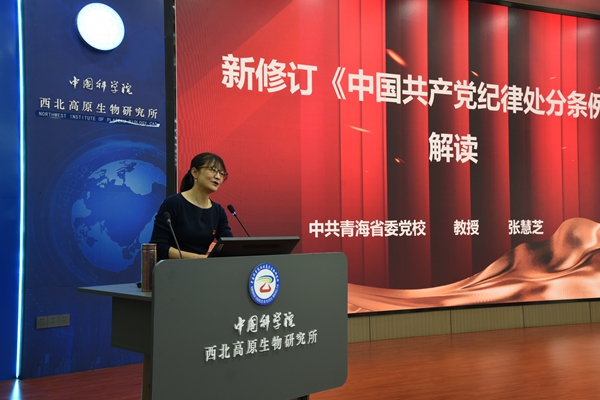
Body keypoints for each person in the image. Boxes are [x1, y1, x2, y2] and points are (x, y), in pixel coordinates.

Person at [150, 152, 233, 260]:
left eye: (222, 173)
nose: (218, 177)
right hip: (173, 268)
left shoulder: (218, 211)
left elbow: (229, 246)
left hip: (203, 268)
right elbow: (158, 246)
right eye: (213, 170)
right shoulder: (174, 203)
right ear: (195, 172)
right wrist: (199, 258)